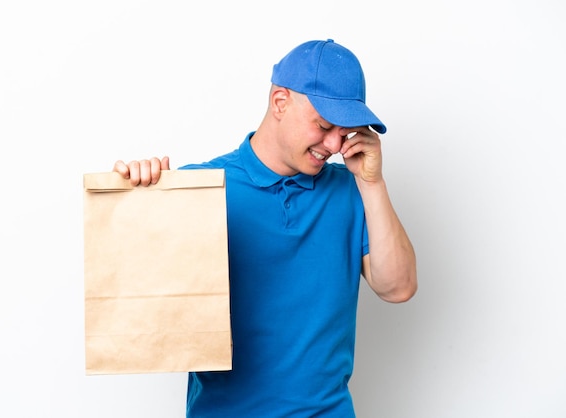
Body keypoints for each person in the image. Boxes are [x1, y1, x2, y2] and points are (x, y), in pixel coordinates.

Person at [113, 39, 417, 417]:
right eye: (323, 126)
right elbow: (134, 300)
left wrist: (373, 184)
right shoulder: (201, 188)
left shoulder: (353, 191)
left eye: (345, 131)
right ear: (280, 102)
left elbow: (398, 287)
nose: (335, 144)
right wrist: (137, 198)